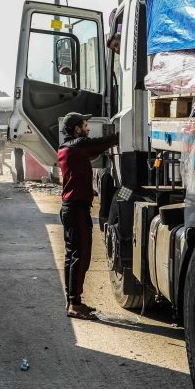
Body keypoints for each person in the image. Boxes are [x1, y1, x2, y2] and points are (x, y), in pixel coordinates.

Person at [57, 112, 118, 320]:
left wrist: (87, 188)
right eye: (85, 125)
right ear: (77, 129)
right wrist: (123, 134)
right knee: (80, 256)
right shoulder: (80, 145)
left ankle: (72, 300)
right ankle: (74, 304)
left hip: (69, 207)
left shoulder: (65, 148)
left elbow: (76, 174)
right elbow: (105, 142)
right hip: (77, 209)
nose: (88, 128)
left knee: (71, 256)